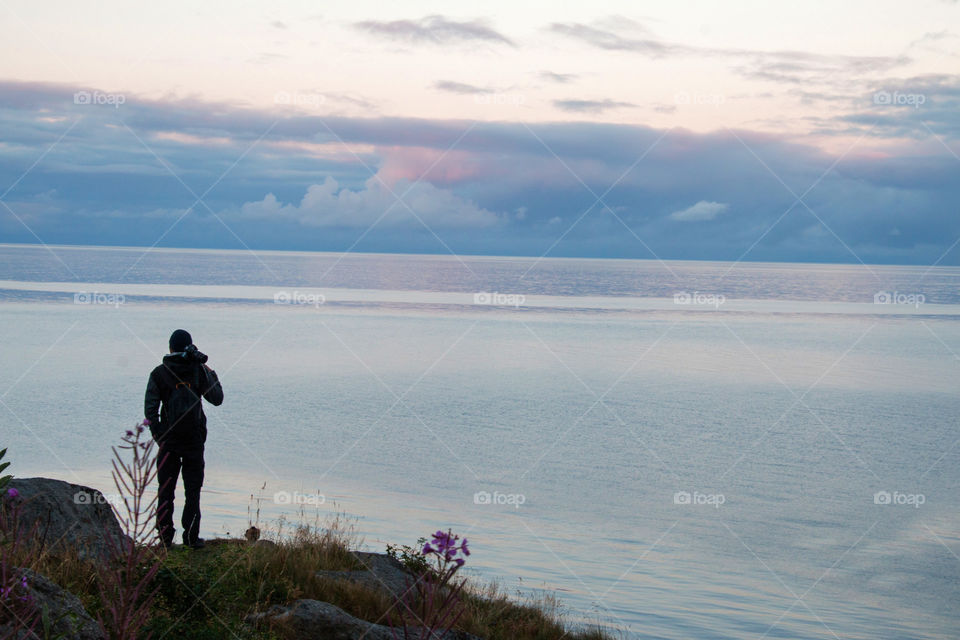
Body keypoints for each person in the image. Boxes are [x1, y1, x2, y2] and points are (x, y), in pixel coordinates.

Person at [144, 329, 223, 549]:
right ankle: (191, 538)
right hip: (194, 441)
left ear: (169, 348)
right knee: (193, 491)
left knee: (165, 491)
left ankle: (165, 538)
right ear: (190, 346)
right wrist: (209, 369)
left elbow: (150, 411)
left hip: (168, 441)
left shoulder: (159, 373)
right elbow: (217, 398)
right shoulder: (198, 370)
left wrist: (160, 436)